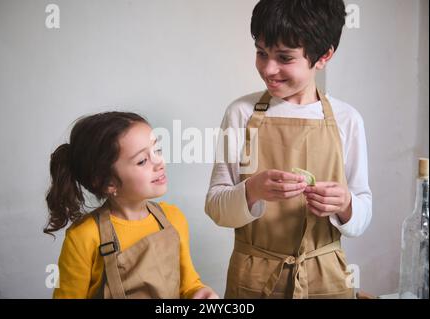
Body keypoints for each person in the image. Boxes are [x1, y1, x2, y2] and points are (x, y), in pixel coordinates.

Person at [205, 0, 372, 299]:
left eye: (284, 57)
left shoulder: (348, 120)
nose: (269, 69)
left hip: (327, 279)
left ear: (324, 56)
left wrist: (346, 204)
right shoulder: (241, 113)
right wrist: (252, 190)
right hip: (253, 279)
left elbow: (362, 214)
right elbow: (216, 207)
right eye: (261, 52)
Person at [45, 111, 218, 299]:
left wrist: (200, 294)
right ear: (107, 183)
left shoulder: (173, 218)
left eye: (157, 150)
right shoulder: (83, 237)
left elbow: (189, 285)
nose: (159, 162)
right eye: (142, 161)